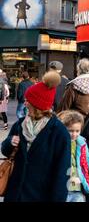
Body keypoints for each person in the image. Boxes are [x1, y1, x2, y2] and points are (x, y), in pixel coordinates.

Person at [0, 71, 71, 202]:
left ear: (38, 105)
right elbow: (4, 149)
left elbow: (62, 172)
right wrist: (10, 142)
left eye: (28, 101)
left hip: (41, 195)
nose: (25, 103)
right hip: (16, 193)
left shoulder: (59, 132)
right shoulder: (20, 124)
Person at [57, 110, 89, 202]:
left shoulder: (82, 144)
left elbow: (88, 164)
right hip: (61, 188)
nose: (74, 134)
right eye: (70, 131)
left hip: (77, 189)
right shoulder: (58, 143)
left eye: (77, 131)